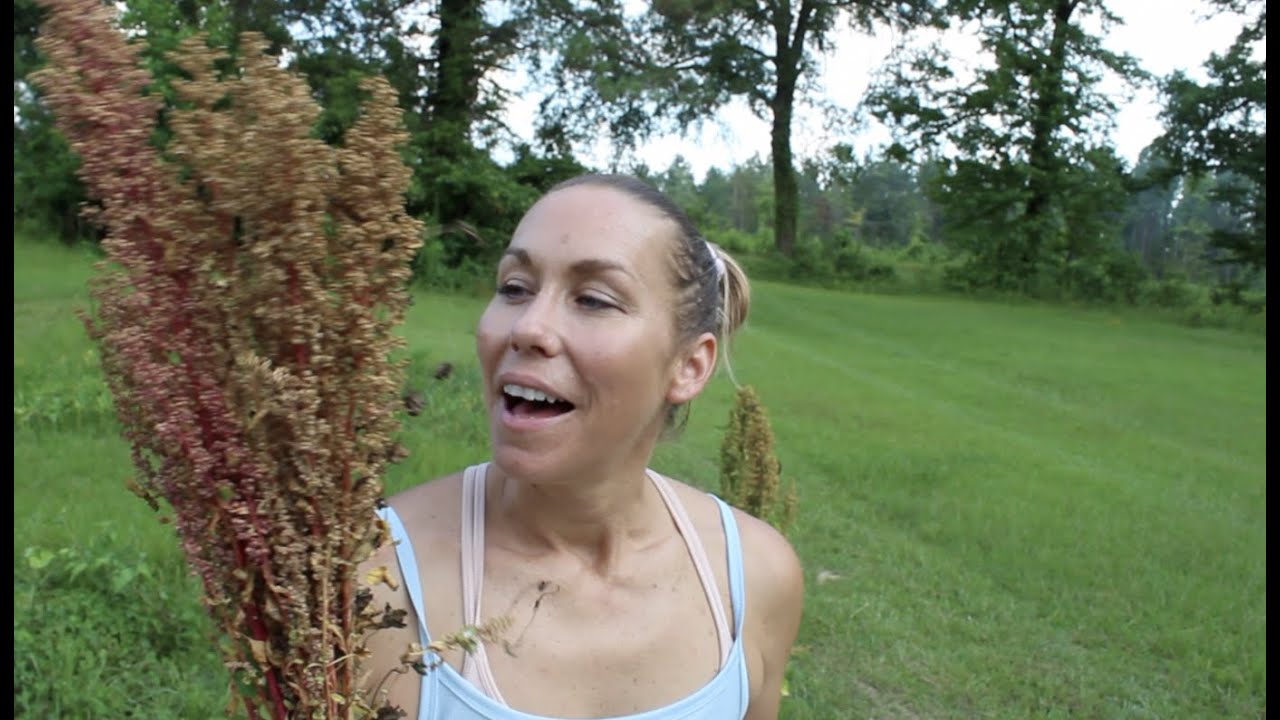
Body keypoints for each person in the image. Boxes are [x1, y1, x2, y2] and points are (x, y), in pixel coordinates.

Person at [362, 174, 804, 720]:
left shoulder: (756, 577)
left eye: (593, 299)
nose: (528, 327)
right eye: (515, 288)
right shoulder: (381, 580)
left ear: (689, 366)